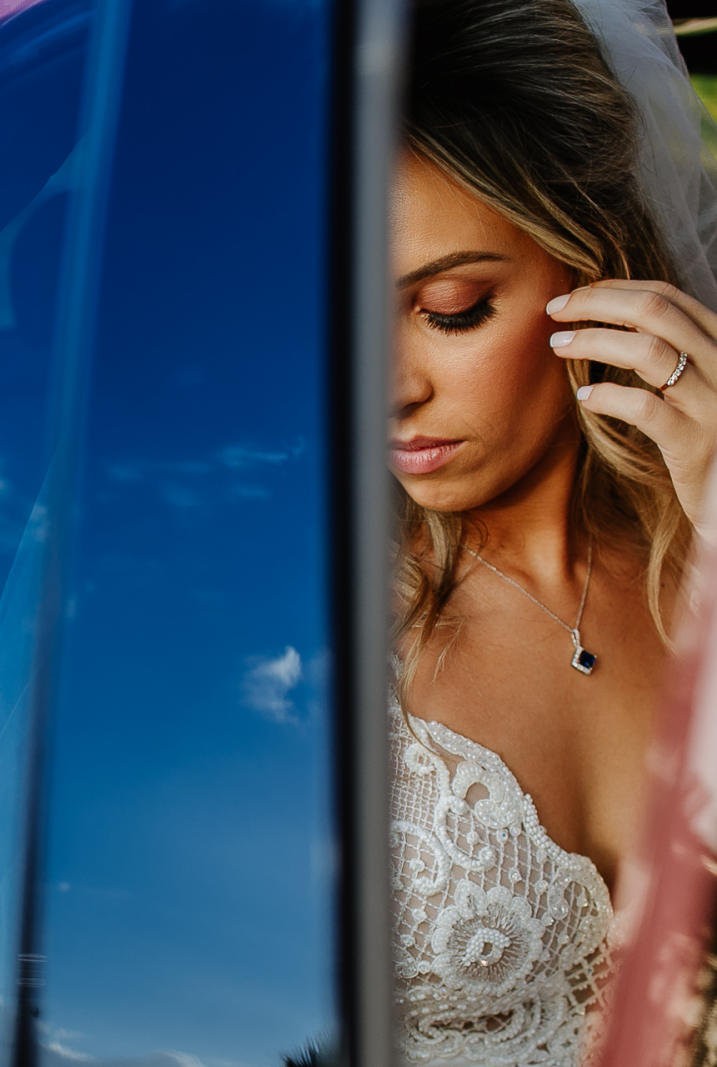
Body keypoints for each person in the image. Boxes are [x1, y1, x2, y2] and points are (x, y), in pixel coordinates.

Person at [388, 0, 717, 1061]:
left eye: (448, 307)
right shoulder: (287, 621)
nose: (384, 388)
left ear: (593, 274)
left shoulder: (696, 544)